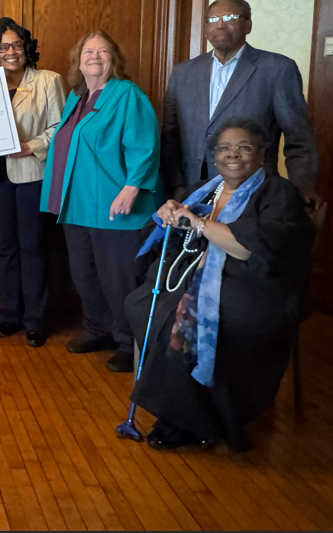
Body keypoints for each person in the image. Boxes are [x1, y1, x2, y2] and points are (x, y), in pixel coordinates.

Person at [128, 118, 312, 452]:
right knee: (144, 303)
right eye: (225, 148)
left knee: (183, 319)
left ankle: (187, 420)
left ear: (261, 156)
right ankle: (186, 406)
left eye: (244, 147)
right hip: (198, 278)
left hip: (257, 286)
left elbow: (248, 248)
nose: (233, 154)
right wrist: (168, 213)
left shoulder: (277, 192)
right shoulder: (203, 189)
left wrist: (198, 223)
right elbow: (173, 236)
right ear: (214, 157)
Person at [40, 30, 163, 372]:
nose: (94, 56)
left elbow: (144, 144)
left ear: (115, 59)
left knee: (120, 278)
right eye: (88, 51)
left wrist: (133, 186)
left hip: (116, 205)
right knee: (85, 274)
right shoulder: (76, 98)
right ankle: (98, 329)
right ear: (78, 61)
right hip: (76, 205)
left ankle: (128, 341)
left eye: (103, 51)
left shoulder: (127, 94)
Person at [161, 0, 320, 206]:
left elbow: (298, 137)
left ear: (248, 25)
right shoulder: (183, 73)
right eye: (212, 19)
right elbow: (170, 136)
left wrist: (301, 188)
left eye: (230, 17)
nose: (219, 24)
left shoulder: (278, 69)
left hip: (254, 191)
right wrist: (176, 187)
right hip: (193, 191)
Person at [0, 18, 65, 347]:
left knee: (32, 247)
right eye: (3, 46)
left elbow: (60, 127)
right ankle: (9, 314)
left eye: (16, 45)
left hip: (31, 175)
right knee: (5, 248)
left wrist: (31, 146)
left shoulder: (48, 80)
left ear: (27, 49)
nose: (10, 51)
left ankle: (34, 319)